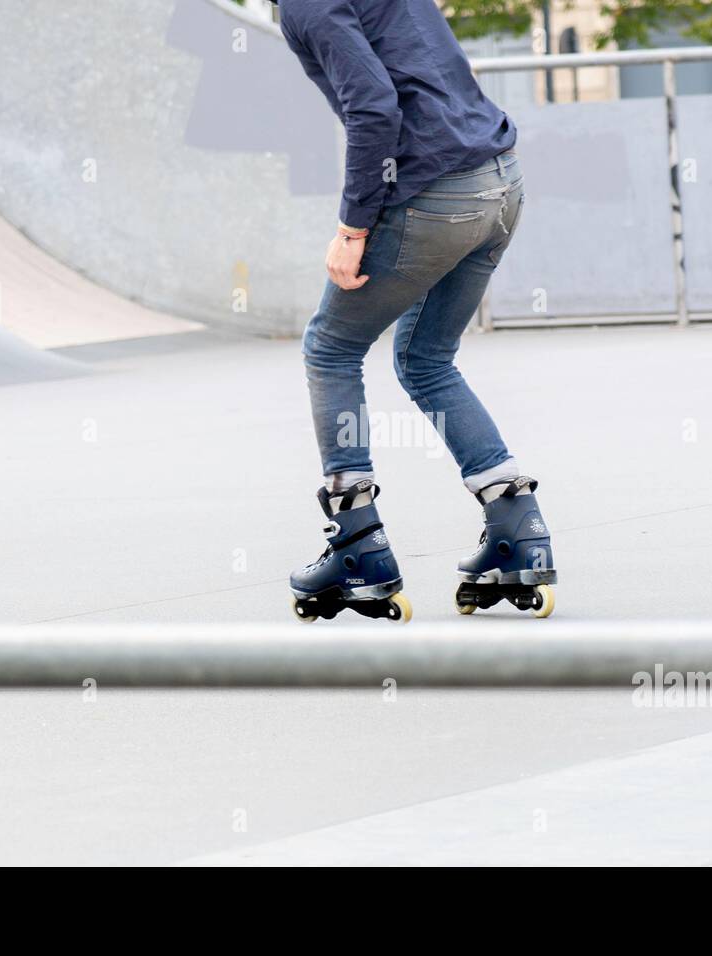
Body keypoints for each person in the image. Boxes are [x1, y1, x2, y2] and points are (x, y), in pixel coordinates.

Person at [275, 0, 557, 622]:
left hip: (437, 193)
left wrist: (352, 229)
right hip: (500, 182)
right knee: (427, 359)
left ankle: (358, 545)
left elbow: (373, 106)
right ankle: (517, 529)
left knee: (331, 349)